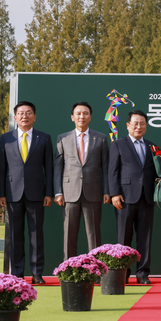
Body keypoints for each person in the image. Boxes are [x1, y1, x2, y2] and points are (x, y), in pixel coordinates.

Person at [0, 101, 54, 285]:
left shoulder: (44, 138)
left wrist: (49, 192)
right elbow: (1, 169)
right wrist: (1, 194)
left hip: (37, 193)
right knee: (15, 236)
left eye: (28, 113)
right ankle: (17, 273)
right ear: (15, 118)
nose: (24, 116)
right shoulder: (6, 139)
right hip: (12, 193)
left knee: (36, 235)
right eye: (21, 113)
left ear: (34, 117)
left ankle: (37, 273)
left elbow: (49, 168)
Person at [54, 102, 110, 260]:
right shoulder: (62, 138)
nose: (82, 116)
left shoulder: (101, 138)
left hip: (93, 192)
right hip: (69, 193)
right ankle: (69, 270)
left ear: (90, 117)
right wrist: (58, 192)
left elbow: (105, 167)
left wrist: (106, 191)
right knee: (69, 235)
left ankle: (97, 269)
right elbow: (58, 167)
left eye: (85, 113)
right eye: (78, 113)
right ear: (72, 117)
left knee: (94, 234)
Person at [108, 110, 157, 284]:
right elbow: (112, 171)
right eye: (135, 123)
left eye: (142, 123)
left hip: (147, 198)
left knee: (145, 238)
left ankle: (143, 273)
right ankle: (123, 273)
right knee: (124, 238)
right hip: (125, 198)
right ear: (127, 125)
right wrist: (114, 193)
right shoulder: (118, 144)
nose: (139, 126)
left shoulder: (152, 147)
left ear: (146, 126)